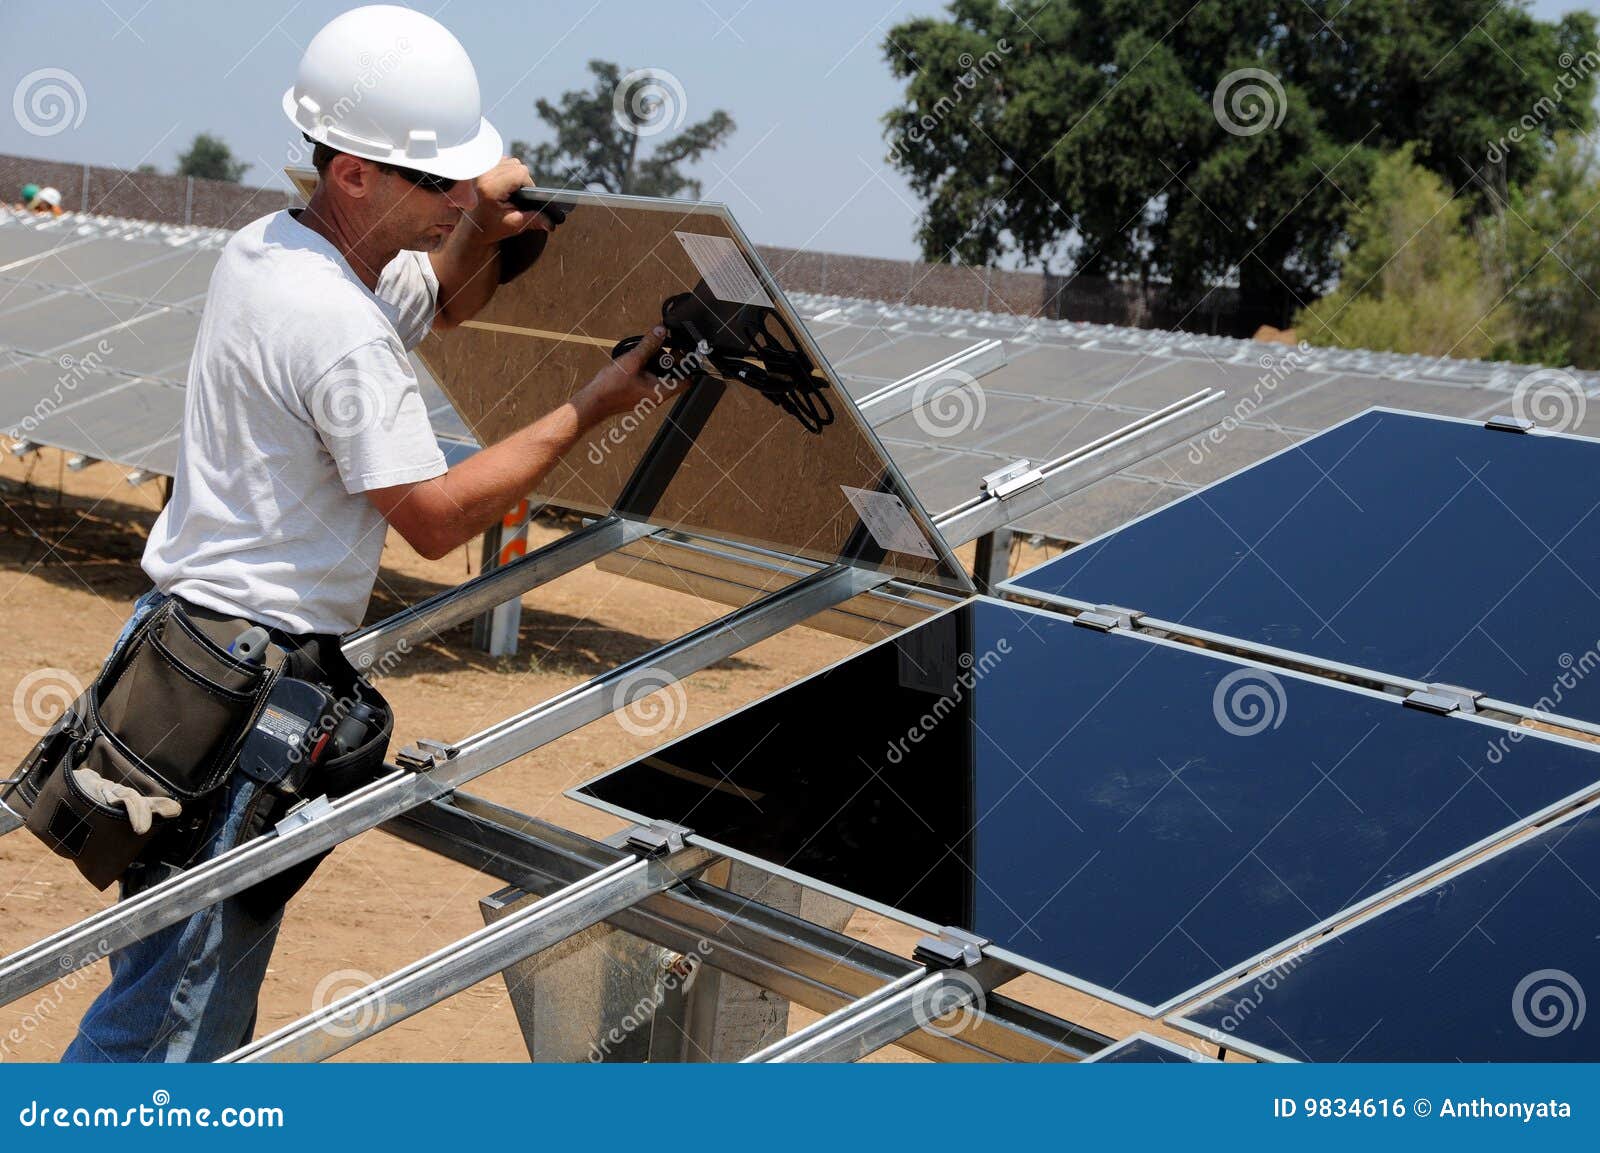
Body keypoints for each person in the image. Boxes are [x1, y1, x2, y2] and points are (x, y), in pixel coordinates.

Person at [62, 4, 675, 1062]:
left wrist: (476, 223)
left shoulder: (274, 251)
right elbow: (435, 520)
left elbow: (427, 303)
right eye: (435, 181)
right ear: (353, 173)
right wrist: (596, 404)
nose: (454, 199)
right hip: (235, 695)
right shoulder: (336, 327)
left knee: (162, 978)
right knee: (173, 1019)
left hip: (177, 656)